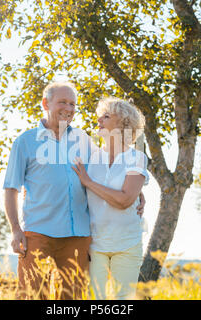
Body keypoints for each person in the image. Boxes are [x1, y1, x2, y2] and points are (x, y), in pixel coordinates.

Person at [3, 82, 145, 300]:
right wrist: (15, 229)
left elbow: (113, 166)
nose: (68, 108)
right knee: (32, 296)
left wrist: (138, 193)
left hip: (78, 236)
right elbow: (11, 188)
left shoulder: (84, 140)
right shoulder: (26, 142)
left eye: (72, 104)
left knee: (73, 299)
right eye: (62, 102)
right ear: (45, 103)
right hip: (38, 232)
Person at [72, 97, 149, 300]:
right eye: (100, 116)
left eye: (106, 116)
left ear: (123, 123)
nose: (99, 120)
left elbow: (124, 201)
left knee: (122, 301)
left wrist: (88, 182)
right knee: (95, 299)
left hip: (127, 243)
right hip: (96, 244)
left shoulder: (137, 158)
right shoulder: (90, 156)